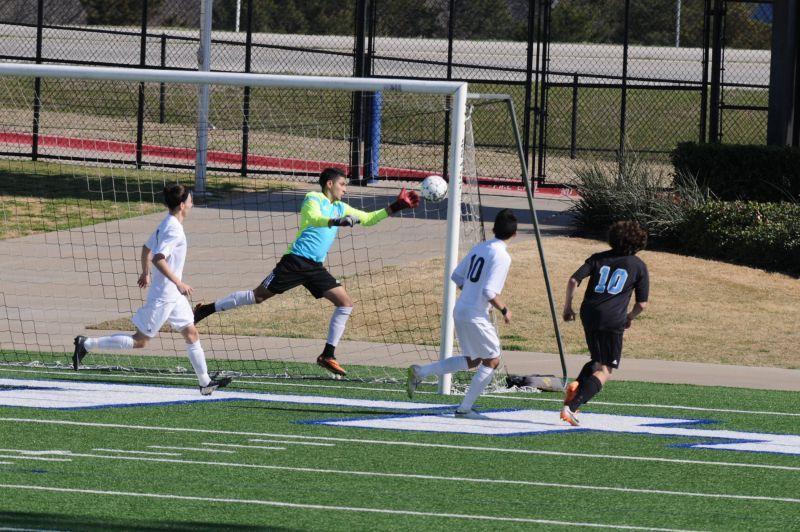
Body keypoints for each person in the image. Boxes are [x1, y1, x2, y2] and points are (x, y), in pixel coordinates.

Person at [192, 167, 420, 376]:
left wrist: (395, 207)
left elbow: (369, 219)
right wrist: (336, 221)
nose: (345, 188)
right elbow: (313, 219)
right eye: (342, 184)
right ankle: (206, 310)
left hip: (315, 268)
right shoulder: (314, 198)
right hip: (295, 262)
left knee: (345, 303)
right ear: (329, 184)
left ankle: (328, 354)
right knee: (257, 297)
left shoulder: (342, 206)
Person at [72, 184, 231, 395]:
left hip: (172, 296)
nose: (192, 203)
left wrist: (145, 273)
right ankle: (87, 344)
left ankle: (205, 383)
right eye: (191, 200)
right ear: (183, 205)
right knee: (140, 341)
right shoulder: (173, 229)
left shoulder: (167, 223)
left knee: (191, 332)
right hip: (164, 296)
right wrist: (178, 282)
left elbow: (146, 248)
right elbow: (158, 258)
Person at [406, 209, 517, 419]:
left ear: (494, 229)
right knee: (492, 360)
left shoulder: (480, 247)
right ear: (514, 234)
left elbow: (456, 276)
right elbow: (489, 292)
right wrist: (505, 310)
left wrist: (470, 292)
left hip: (461, 310)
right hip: (475, 314)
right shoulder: (502, 256)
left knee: (473, 360)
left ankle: (420, 372)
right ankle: (465, 409)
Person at [560, 220, 649, 426]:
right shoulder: (638, 265)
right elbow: (642, 304)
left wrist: (567, 307)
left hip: (589, 313)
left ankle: (578, 385)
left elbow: (574, 280)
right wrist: (629, 317)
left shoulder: (598, 258)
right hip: (613, 318)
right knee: (606, 368)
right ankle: (571, 407)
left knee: (597, 359)